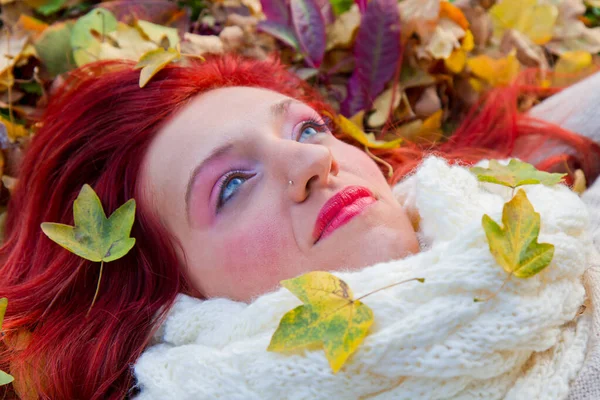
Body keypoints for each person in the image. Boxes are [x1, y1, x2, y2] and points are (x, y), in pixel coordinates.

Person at [0, 53, 599, 400]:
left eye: (307, 129)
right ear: (171, 305)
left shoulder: (537, 221)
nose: (314, 161)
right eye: (232, 185)